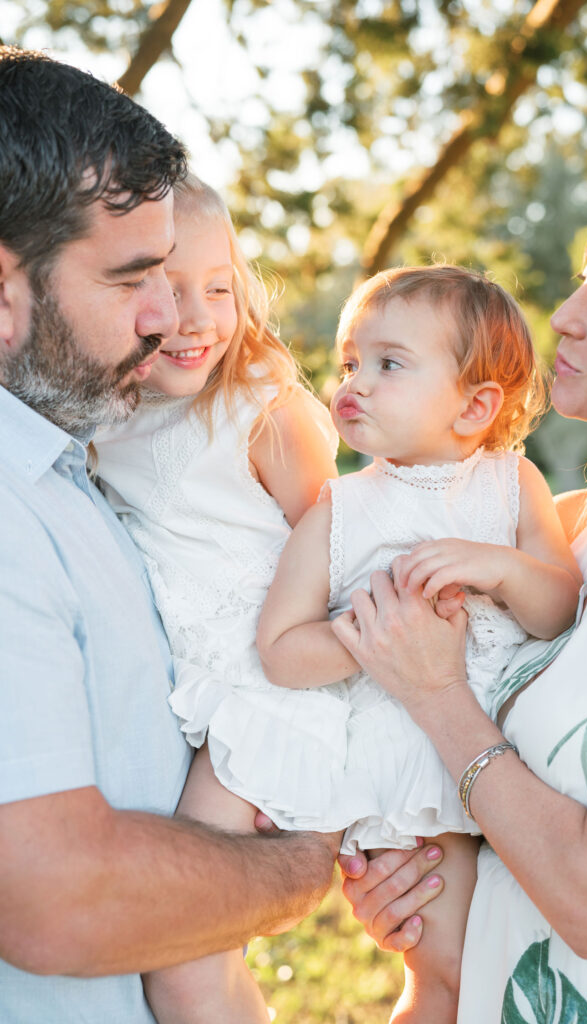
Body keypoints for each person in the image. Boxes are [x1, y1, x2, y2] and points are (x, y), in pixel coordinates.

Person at [0, 47, 337, 1024]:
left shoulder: (73, 458)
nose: (168, 319)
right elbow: (56, 896)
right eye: (134, 278)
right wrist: (305, 861)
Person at [334, 162, 587, 1024]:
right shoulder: (573, 538)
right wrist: (422, 889)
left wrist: (436, 697)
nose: (561, 317)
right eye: (580, 283)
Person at [254, 265, 580, 1023]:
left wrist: (497, 565)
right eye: (348, 363)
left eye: (388, 364)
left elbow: (557, 607)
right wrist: (370, 635)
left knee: (498, 967)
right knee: (447, 976)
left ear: (474, 406)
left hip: (516, 760)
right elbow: (280, 648)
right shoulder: (339, 509)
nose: (354, 383)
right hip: (409, 771)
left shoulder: (509, 485)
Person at [94, 170, 340, 1023]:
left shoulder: (260, 409)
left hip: (266, 694)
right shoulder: (109, 417)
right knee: (203, 961)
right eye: (166, 287)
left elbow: (339, 548)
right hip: (202, 702)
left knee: (185, 957)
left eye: (219, 288)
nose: (195, 317)